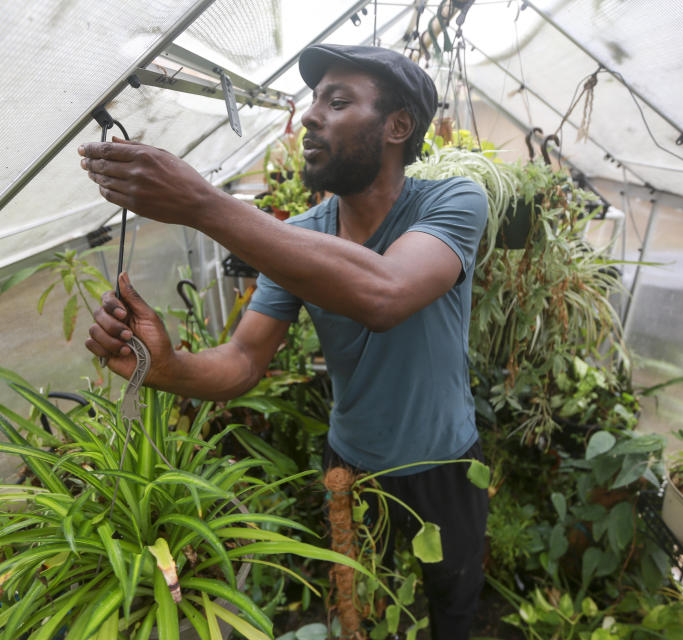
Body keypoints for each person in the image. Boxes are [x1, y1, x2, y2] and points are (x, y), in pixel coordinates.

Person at [81, 44, 489, 640]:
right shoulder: (298, 239)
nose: (309, 117)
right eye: (314, 100)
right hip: (353, 469)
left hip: (446, 461)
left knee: (453, 606)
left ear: (398, 126)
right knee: (358, 611)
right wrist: (163, 366)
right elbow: (244, 360)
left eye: (338, 100)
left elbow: (386, 293)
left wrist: (201, 203)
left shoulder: (452, 202)